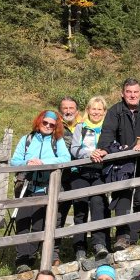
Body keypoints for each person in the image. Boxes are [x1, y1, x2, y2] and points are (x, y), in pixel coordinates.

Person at [93, 78, 140, 250]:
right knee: (122, 198)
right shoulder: (115, 111)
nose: (132, 95)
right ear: (122, 93)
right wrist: (103, 148)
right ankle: (122, 236)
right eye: (129, 92)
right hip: (122, 163)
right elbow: (108, 132)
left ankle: (133, 235)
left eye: (135, 92)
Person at [10, 110, 72, 273]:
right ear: (39, 122)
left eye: (52, 125)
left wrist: (43, 162)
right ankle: (22, 260)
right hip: (26, 186)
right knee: (22, 222)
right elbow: (14, 161)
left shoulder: (57, 141)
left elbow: (66, 159)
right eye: (45, 123)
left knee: (38, 225)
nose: (48, 126)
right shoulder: (27, 139)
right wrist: (27, 162)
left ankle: (30, 257)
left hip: (45, 188)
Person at [70, 96, 111, 261]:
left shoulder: (108, 128)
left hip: (100, 171)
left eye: (99, 109)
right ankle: (79, 248)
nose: (96, 112)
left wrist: (104, 152)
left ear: (104, 112)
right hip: (81, 170)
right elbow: (74, 148)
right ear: (88, 110)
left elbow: (111, 146)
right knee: (80, 207)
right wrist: (89, 154)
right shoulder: (81, 127)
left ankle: (98, 244)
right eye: (93, 109)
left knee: (98, 203)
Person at [57, 97, 81, 235]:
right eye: (65, 108)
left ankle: (80, 247)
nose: (68, 111)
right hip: (62, 175)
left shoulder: (85, 125)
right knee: (59, 211)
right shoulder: (55, 127)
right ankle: (53, 252)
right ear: (60, 111)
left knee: (80, 209)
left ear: (77, 111)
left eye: (71, 108)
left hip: (80, 174)